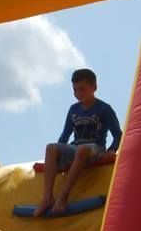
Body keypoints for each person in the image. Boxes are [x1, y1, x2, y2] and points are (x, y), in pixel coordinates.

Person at [33, 68, 121, 216]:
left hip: (95, 148)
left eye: (82, 89)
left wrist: (111, 150)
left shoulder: (104, 109)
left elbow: (118, 134)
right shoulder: (73, 109)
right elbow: (65, 134)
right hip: (75, 148)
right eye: (75, 90)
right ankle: (47, 197)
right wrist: (57, 154)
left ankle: (62, 197)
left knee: (82, 150)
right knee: (50, 147)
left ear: (94, 87)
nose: (78, 93)